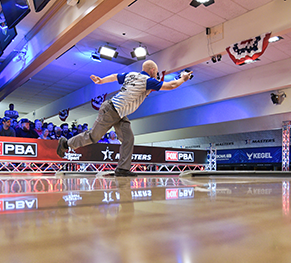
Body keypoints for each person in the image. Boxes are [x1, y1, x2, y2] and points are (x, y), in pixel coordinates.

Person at [56, 60, 193, 176]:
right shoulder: (147, 80)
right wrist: (183, 78)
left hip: (119, 112)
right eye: (156, 73)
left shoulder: (132, 74)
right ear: (152, 71)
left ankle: (122, 169)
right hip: (111, 110)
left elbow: (116, 76)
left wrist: (102, 80)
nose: (157, 75)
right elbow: (172, 85)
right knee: (93, 136)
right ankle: (66, 144)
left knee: (128, 138)